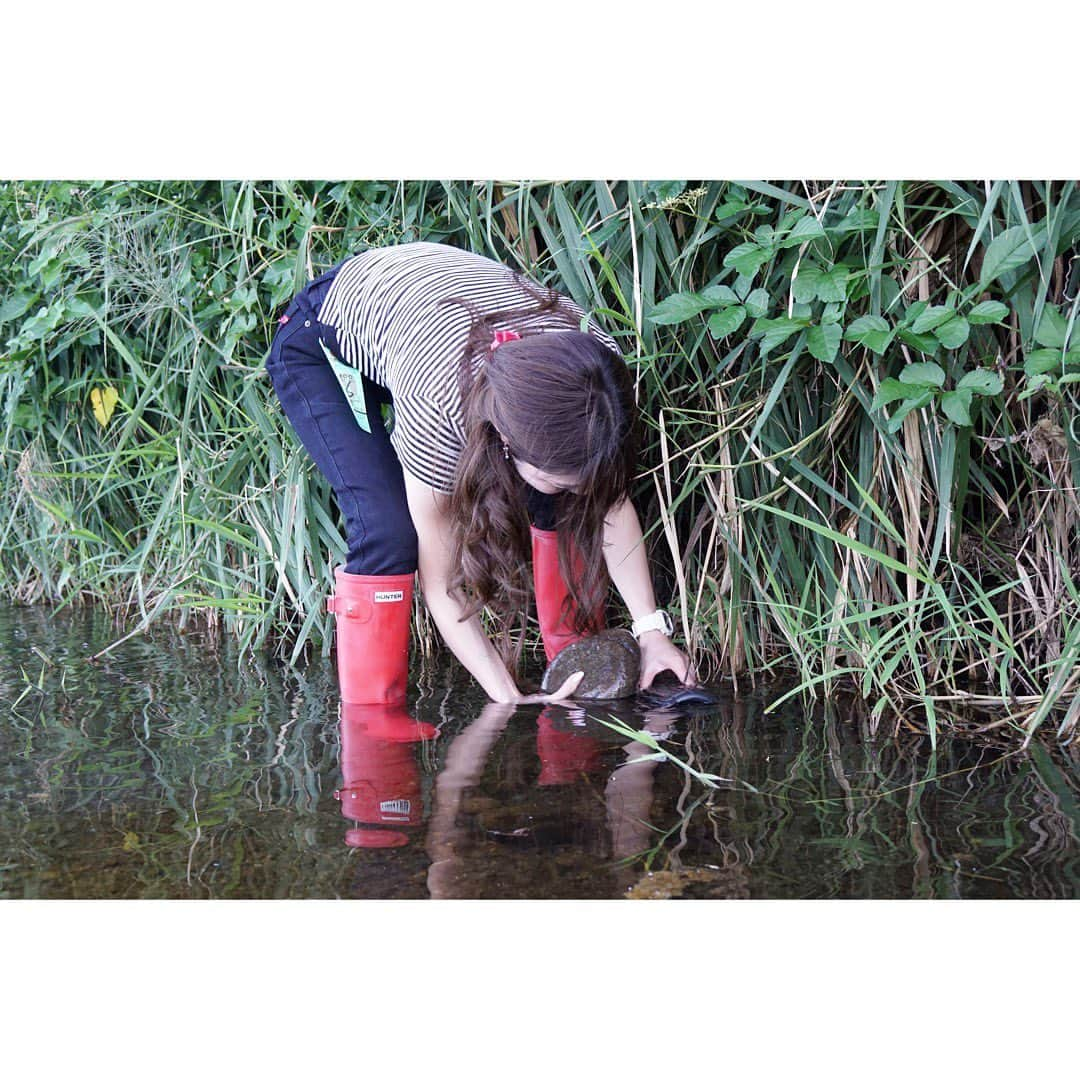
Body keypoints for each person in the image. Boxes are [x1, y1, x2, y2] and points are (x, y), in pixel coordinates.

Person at [264, 241, 693, 708]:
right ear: (505, 441)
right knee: (388, 531)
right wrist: (505, 696)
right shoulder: (438, 408)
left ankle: (574, 672)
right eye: (564, 476)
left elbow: (609, 501)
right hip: (327, 337)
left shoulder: (596, 368)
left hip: (430, 319)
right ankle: (373, 726)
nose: (585, 492)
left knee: (555, 491)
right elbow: (442, 578)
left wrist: (650, 632)